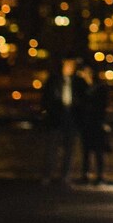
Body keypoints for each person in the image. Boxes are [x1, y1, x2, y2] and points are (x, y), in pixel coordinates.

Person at [41, 57, 85, 185]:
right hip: (56, 118)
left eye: (72, 65)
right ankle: (47, 175)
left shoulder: (78, 82)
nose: (70, 68)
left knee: (69, 149)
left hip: (71, 118)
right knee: (52, 149)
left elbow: (84, 98)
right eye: (68, 65)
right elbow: (46, 98)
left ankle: (65, 175)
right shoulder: (54, 80)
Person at [77, 64, 110, 185]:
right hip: (87, 122)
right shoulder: (84, 88)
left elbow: (102, 106)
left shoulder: (98, 88)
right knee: (87, 150)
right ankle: (86, 174)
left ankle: (99, 175)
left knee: (97, 150)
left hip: (96, 122)